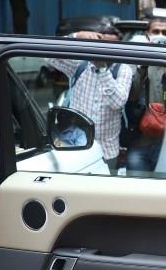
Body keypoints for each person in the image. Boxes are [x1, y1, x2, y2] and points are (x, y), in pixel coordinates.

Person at [47, 27, 133, 173]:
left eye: (112, 45)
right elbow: (49, 55)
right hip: (73, 144)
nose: (106, 49)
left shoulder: (124, 69)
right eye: (102, 43)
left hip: (106, 151)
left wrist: (102, 70)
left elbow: (117, 103)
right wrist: (76, 35)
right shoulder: (80, 64)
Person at [125, 18, 166, 173]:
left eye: (165, 32)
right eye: (156, 32)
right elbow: (131, 95)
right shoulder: (135, 60)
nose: (161, 36)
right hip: (139, 142)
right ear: (147, 36)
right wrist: (143, 65)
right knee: (137, 186)